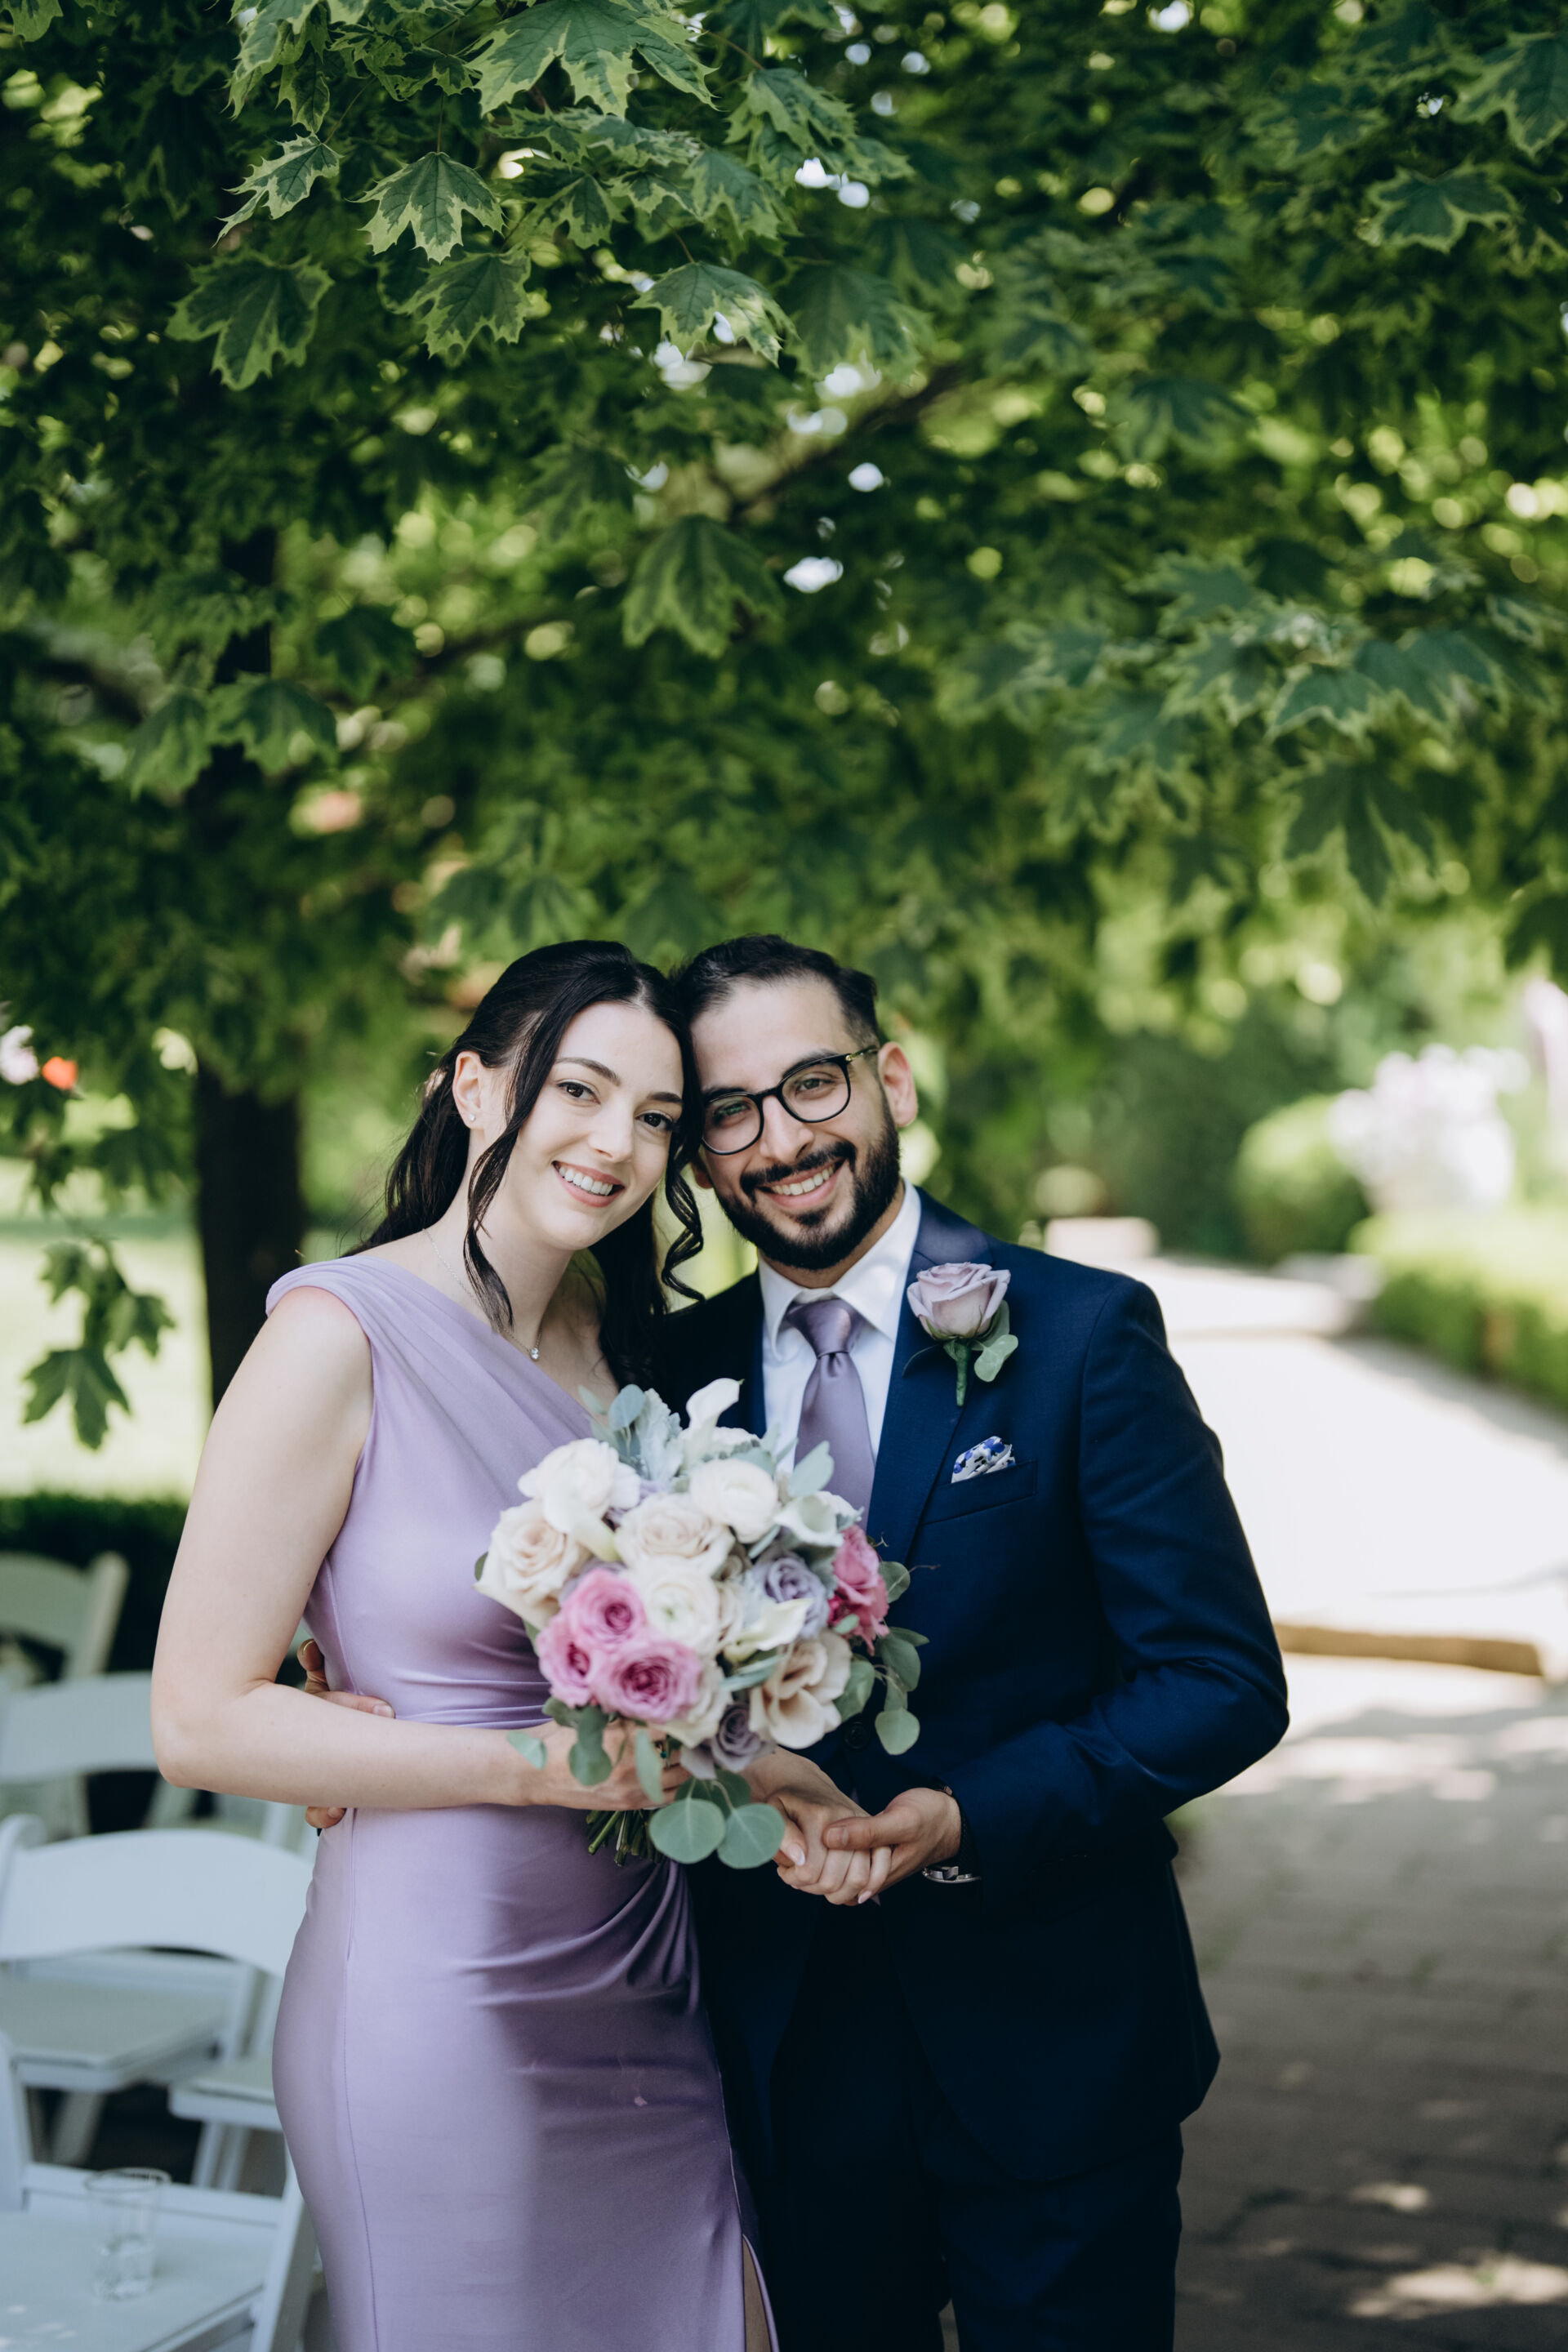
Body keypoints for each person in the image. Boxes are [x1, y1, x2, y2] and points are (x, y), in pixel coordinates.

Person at [152, 940, 804, 2352]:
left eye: (656, 1117)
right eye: (580, 1089)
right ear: (476, 1088)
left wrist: (777, 1768)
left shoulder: (627, 1349)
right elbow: (197, 1717)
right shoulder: (336, 1334)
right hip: (446, 1994)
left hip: (647, 1975)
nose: (616, 1142)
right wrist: (528, 1768)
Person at [651, 933, 1290, 2352]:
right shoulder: (665, 1376)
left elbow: (1220, 1683)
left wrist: (967, 1815)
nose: (781, 1140)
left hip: (1055, 2040)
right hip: (785, 2055)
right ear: (697, 1154)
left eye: (812, 1085)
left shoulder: (1081, 1334)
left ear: (890, 1079)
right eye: (730, 1112)